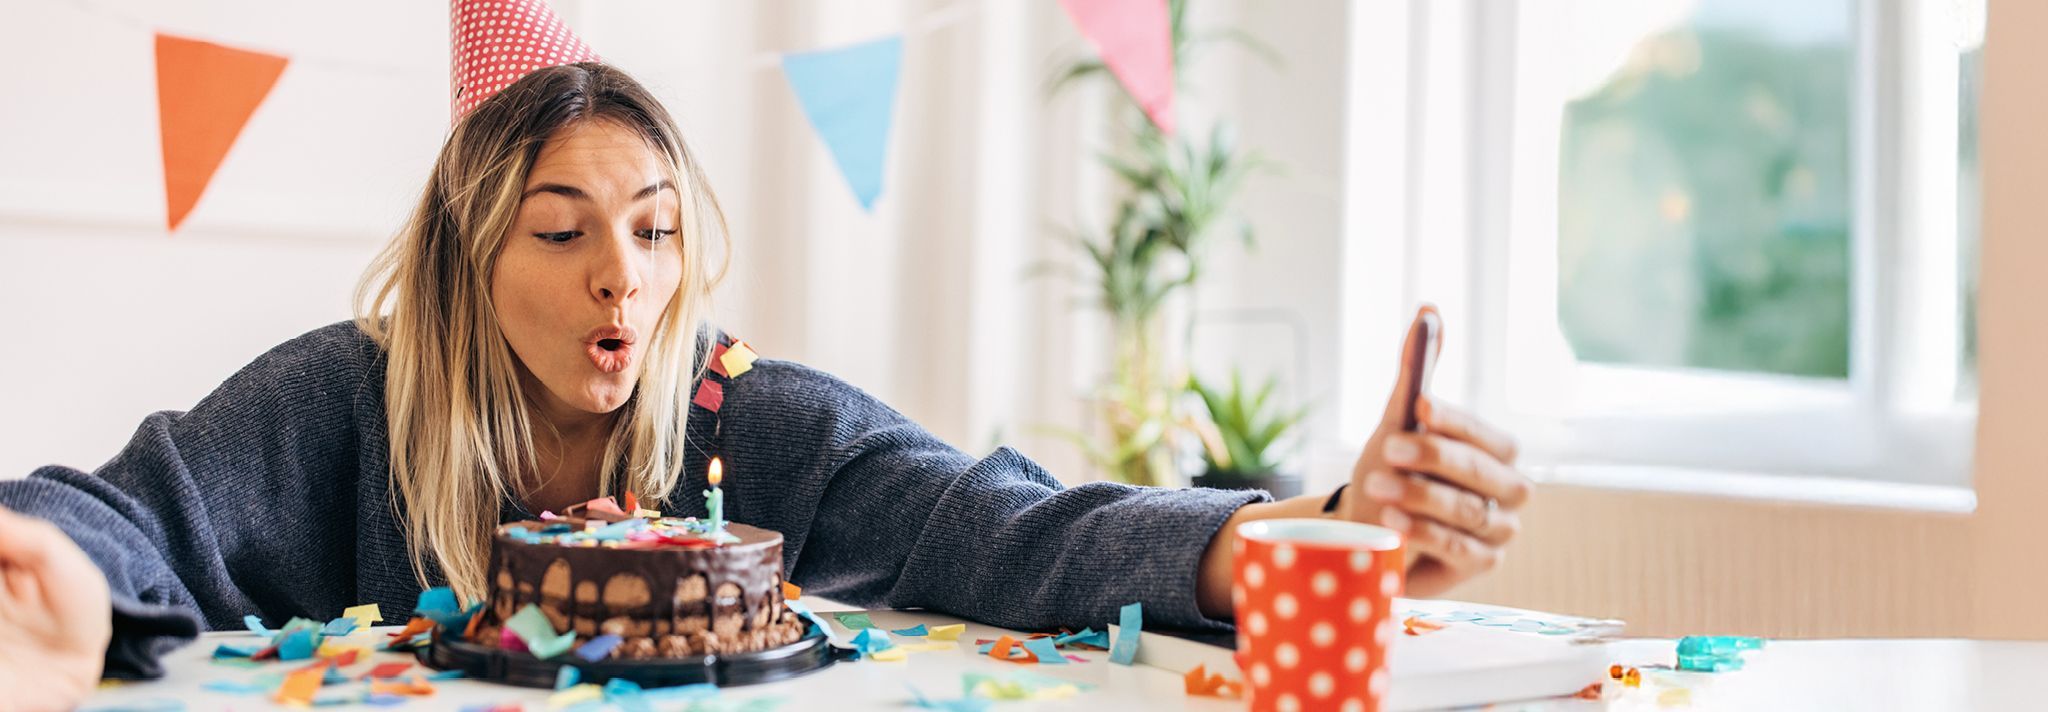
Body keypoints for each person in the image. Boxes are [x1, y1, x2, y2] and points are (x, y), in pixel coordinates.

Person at [0, 60, 1527, 711]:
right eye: (563, 231)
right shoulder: (346, 397)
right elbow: (124, 515)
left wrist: (1306, 531)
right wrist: (49, 575)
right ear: (473, 252)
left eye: (656, 231)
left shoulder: (737, 416)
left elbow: (1000, 528)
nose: (627, 279)